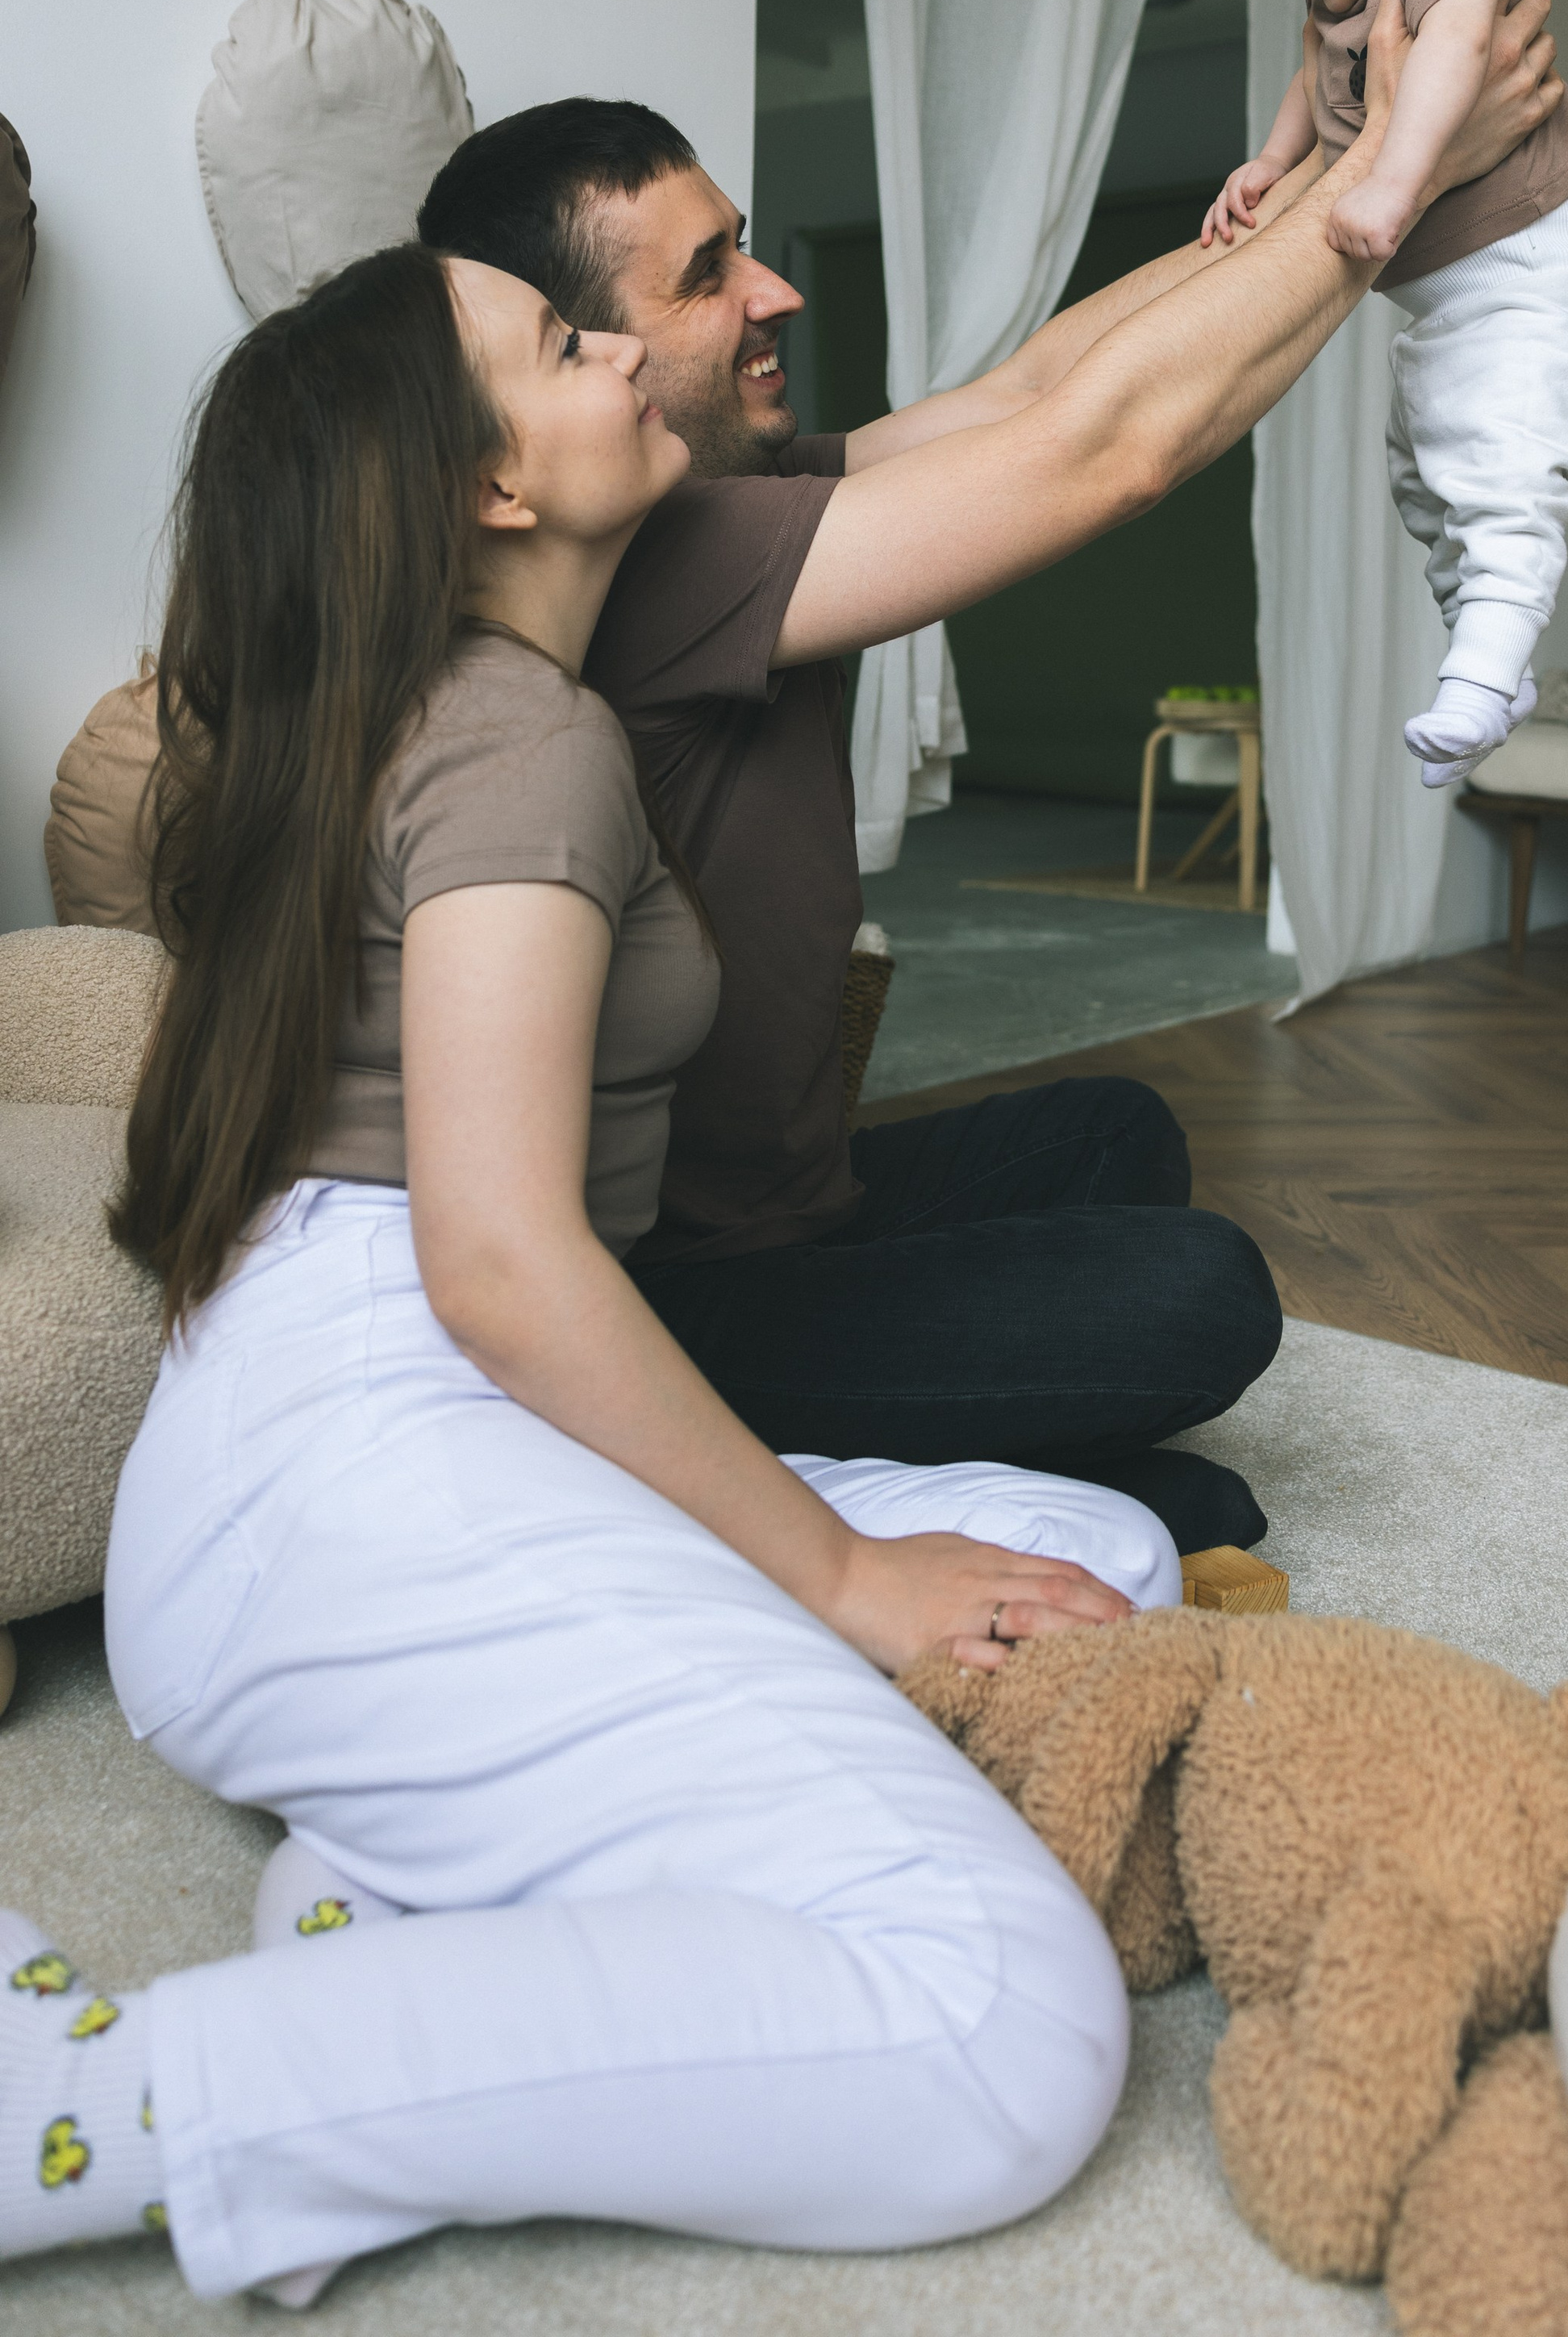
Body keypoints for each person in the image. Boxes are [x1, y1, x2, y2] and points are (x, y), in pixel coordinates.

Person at [1, 240, 1174, 2302]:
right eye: (565, 342)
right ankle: (93, 2095)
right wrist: (835, 1575)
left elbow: (996, 436)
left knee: (1090, 1569)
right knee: (1000, 2020)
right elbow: (498, 1261)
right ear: (487, 490)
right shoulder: (512, 742)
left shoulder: (445, 710)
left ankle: (402, 1904)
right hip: (365, 1455)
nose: (631, 344)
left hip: (331, 1445)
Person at [415, 0, 1563, 1555]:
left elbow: (1033, 391)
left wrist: (1338, 157)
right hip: (686, 1293)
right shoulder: (657, 557)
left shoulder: (734, 493)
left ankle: (929, 1442)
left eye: (743, 243)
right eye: (706, 277)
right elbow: (1103, 452)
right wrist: (1401, 178)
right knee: (1198, 1308)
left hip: (788, 1212)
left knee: (1117, 1138)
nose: (774, 293)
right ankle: (771, 1462)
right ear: (589, 360)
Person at [1205, 0, 1568, 790]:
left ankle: (1481, 676)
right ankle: (1490, 655)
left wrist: (1398, 175)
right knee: (1423, 480)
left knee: (1499, 478)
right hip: (1452, 304)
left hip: (1526, 283)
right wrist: (1273, 162)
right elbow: (1314, 73)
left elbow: (1449, 62)